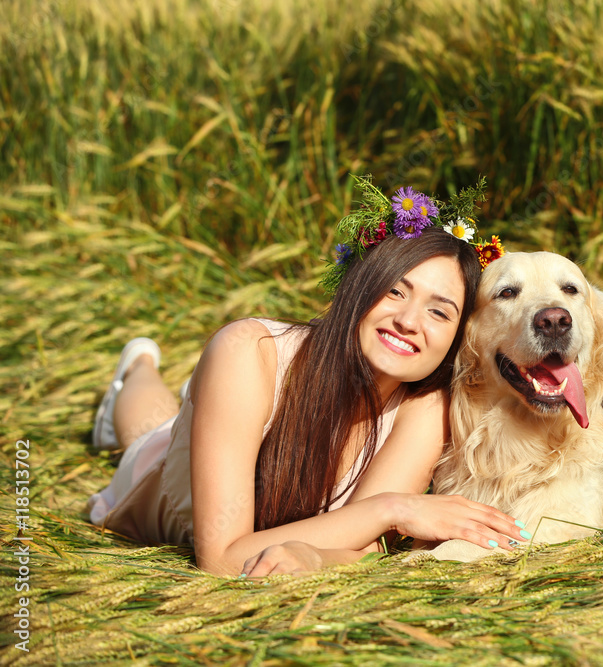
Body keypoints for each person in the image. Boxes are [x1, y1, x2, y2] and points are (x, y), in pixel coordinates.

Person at [88, 180, 526, 576]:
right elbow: (222, 559)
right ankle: (137, 366)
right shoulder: (248, 352)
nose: (410, 321)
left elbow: (364, 547)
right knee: (145, 431)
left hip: (237, 408)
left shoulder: (426, 408)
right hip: (163, 477)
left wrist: (315, 556)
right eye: (395, 290)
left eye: (438, 311)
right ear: (359, 285)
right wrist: (395, 508)